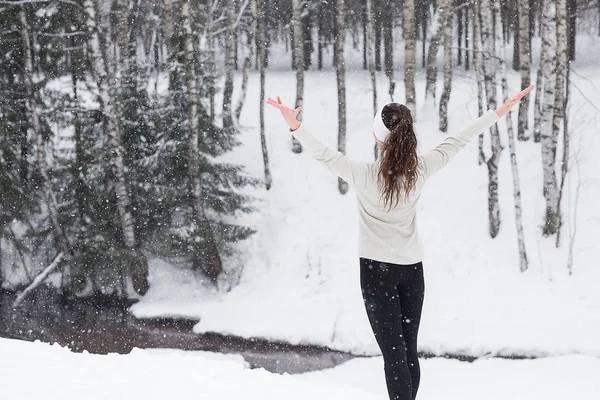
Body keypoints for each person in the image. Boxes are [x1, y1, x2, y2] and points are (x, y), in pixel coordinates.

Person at [267, 84, 535, 400]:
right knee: (407, 352)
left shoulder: (363, 174)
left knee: (395, 356)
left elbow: (325, 155)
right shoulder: (419, 170)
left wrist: (295, 125)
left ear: (379, 136)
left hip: (376, 272)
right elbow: (457, 140)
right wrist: (498, 111)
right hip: (412, 272)